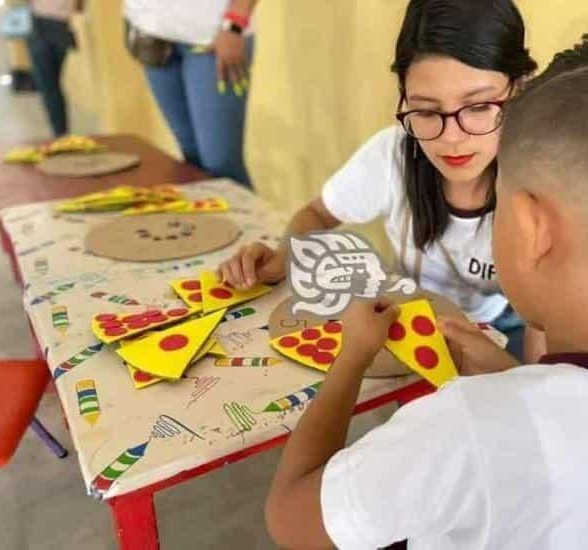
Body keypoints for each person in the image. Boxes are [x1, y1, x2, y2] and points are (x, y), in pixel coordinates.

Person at [264, 22, 588, 549]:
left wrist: (351, 358)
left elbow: (291, 518)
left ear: (530, 226)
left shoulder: (463, 431)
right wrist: (510, 375)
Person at [219, 0, 543, 360]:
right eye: (426, 110)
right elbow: (318, 213)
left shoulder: (539, 184)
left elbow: (541, 347)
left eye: (479, 107)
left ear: (519, 88)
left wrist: (508, 373)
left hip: (505, 326)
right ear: (403, 96)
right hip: (412, 312)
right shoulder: (392, 156)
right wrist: (285, 256)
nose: (451, 137)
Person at [123, 0, 257, 186]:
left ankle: (249, 216)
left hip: (213, 34)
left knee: (220, 163)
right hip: (151, 32)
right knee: (192, 162)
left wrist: (235, 24)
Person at [26, 0, 83, 137]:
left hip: (43, 26)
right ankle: (61, 133)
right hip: (61, 27)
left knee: (49, 86)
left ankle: (60, 134)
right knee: (52, 86)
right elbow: (80, 7)